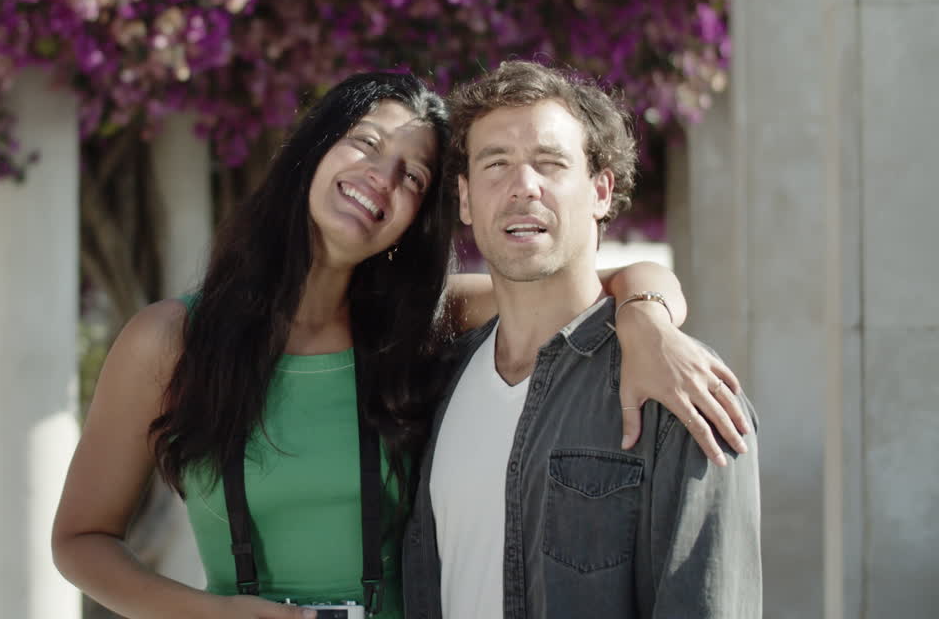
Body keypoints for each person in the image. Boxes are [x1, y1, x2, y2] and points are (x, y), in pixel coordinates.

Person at [51, 71, 749, 619]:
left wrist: (649, 321)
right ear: (311, 149)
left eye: (412, 176)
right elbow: (80, 540)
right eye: (364, 143)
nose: (380, 179)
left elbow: (602, 280)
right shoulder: (171, 342)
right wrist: (203, 615)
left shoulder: (426, 325)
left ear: (424, 212)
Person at [402, 60, 762, 618]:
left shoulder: (679, 389)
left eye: (550, 163)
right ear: (467, 200)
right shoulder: (439, 374)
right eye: (496, 164)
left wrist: (647, 314)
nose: (524, 186)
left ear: (600, 191)